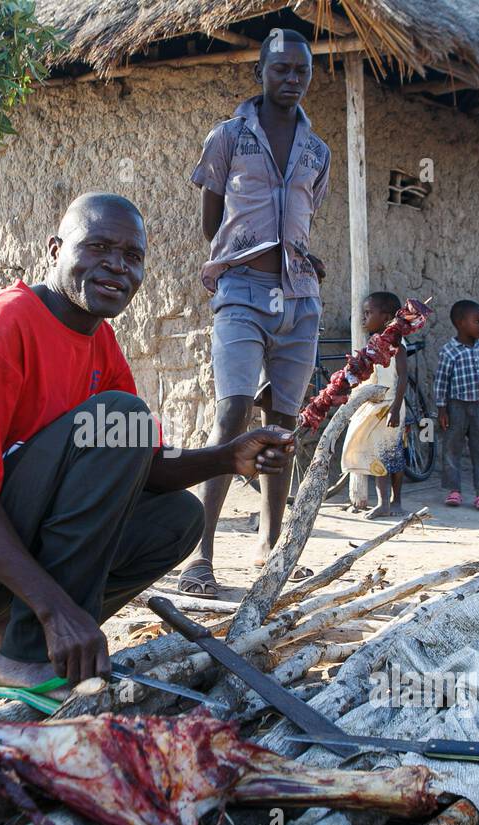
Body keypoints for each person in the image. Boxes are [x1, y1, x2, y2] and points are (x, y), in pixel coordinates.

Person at [0, 193, 295, 712]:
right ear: (54, 250)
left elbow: (143, 468)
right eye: (99, 247)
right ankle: (27, 655)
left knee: (178, 518)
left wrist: (226, 457)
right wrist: (55, 610)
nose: (117, 265)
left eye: (133, 256)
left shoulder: (99, 343)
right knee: (122, 416)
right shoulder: (8, 323)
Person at [179, 28, 331, 596]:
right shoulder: (227, 139)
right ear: (261, 73)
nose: (291, 80)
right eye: (281, 70)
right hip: (241, 293)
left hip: (299, 300)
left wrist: (302, 261)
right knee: (233, 413)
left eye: (301, 72)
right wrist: (239, 262)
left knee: (284, 426)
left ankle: (271, 548)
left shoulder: (319, 152)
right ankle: (202, 555)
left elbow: (301, 219)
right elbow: (210, 218)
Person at [341, 292, 407, 518]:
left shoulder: (396, 345)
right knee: (379, 455)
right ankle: (383, 503)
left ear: (387, 317)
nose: (363, 319)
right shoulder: (373, 344)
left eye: (368, 314)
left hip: (391, 407)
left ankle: (395, 501)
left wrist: (396, 409)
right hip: (376, 407)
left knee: (394, 455)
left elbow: (402, 379)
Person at [435, 300, 479, 511]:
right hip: (456, 407)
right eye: (477, 321)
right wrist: (442, 409)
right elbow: (441, 381)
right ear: (461, 324)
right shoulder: (449, 351)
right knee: (452, 449)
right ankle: (454, 490)